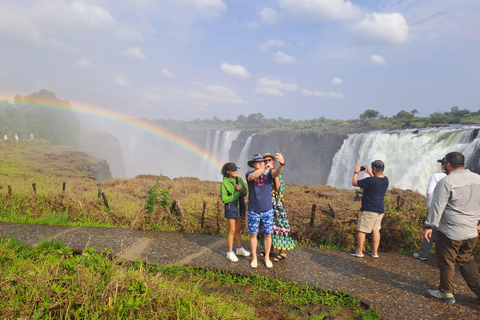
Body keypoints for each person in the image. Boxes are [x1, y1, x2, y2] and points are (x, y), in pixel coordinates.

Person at [424, 152, 480, 304]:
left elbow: (438, 206)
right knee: (466, 259)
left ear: (448, 165)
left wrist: (429, 225)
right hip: (471, 231)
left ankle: (445, 292)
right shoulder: (478, 179)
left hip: (450, 232)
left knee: (447, 260)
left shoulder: (446, 182)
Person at [246, 152, 285, 269]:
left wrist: (282, 163)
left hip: (267, 210)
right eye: (259, 162)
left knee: (268, 234)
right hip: (253, 210)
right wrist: (265, 167)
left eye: (262, 162)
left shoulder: (269, 174)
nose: (262, 163)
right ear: (253, 164)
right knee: (253, 234)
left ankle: (267, 257)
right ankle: (254, 258)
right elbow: (252, 177)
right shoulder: (249, 173)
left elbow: (276, 172)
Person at [257, 152, 295, 262]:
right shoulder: (262, 174)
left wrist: (276, 173)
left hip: (276, 204)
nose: (267, 162)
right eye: (265, 161)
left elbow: (279, 190)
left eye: (269, 160)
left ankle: (283, 253)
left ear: (273, 161)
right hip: (265, 203)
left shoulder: (278, 173)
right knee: (267, 228)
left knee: (279, 227)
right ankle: (270, 250)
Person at [349, 160, 389, 258]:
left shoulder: (370, 181)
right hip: (380, 210)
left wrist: (357, 171)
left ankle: (359, 251)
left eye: (372, 169)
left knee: (362, 230)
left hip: (369, 210)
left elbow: (354, 183)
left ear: (374, 169)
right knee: (376, 230)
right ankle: (374, 252)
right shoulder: (385, 180)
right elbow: (376, 180)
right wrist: (371, 173)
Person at [413, 158, 447, 261]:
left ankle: (423, 254)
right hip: (451, 210)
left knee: (430, 230)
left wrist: (429, 204)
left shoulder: (437, 176)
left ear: (443, 165)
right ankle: (446, 257)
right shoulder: (459, 178)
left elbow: (429, 192)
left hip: (437, 207)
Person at [220, 162, 250, 262]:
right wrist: (237, 193)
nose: (236, 171)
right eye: (233, 170)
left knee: (237, 230)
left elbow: (245, 193)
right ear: (228, 172)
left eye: (236, 169)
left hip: (240, 207)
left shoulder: (239, 180)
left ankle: (238, 248)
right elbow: (224, 199)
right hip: (231, 208)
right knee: (232, 230)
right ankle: (229, 252)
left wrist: (241, 190)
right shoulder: (225, 183)